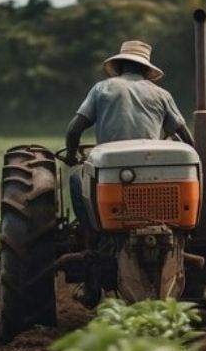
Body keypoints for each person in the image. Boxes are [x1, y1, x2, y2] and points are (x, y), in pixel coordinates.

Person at [64, 40, 194, 230]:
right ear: (145, 69)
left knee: (77, 180)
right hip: (154, 170)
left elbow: (74, 130)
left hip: (110, 169)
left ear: (119, 65)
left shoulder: (102, 88)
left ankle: (92, 235)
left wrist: (71, 156)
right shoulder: (161, 94)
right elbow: (187, 139)